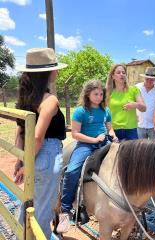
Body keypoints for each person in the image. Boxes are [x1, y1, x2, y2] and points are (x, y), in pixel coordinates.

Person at [14, 48, 67, 238]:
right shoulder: (50, 100)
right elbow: (37, 137)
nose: (57, 72)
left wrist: (20, 160)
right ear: (48, 72)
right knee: (42, 215)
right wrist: (27, 164)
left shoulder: (26, 99)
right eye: (55, 68)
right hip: (47, 156)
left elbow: (21, 130)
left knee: (29, 204)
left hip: (31, 154)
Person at [57, 80, 116, 233]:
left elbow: (110, 128)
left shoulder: (105, 110)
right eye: (95, 94)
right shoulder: (80, 111)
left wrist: (112, 135)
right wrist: (94, 140)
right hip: (86, 145)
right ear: (88, 94)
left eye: (101, 94)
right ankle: (65, 211)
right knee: (71, 171)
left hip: (105, 142)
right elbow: (75, 134)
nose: (99, 97)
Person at [105, 64, 146, 141]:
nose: (122, 74)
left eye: (123, 72)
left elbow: (144, 108)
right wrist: (109, 130)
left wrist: (136, 105)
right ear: (112, 76)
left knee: (133, 153)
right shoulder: (107, 93)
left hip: (131, 131)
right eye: (118, 72)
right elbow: (104, 113)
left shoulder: (134, 90)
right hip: (113, 131)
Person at [136, 67, 155, 139]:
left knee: (154, 148)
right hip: (139, 125)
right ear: (144, 78)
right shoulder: (137, 87)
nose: (149, 81)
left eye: (152, 79)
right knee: (140, 148)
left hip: (153, 126)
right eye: (147, 79)